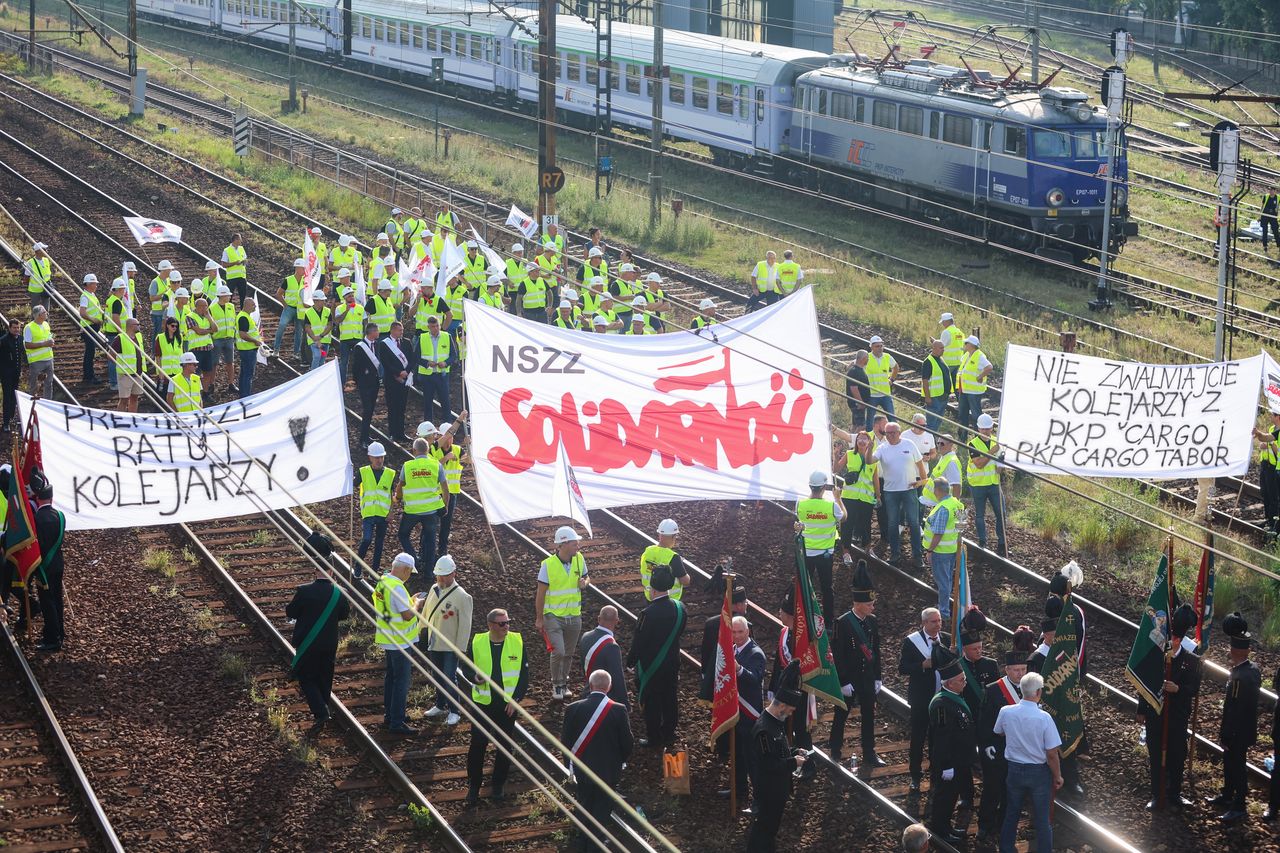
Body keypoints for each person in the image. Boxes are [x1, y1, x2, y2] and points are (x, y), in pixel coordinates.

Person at [461, 607, 530, 806]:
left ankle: (498, 785)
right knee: (478, 744)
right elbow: (466, 666)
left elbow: (524, 676)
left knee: (504, 746)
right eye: (502, 623)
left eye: (508, 622)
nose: (506, 626)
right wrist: (474, 677)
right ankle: (474, 786)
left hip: (506, 706)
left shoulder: (517, 641)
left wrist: (515, 700)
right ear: (491, 625)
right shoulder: (478, 641)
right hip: (483, 704)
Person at [1137, 603, 1201, 811]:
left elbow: (1194, 688)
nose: (1170, 643)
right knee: (1156, 755)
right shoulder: (1157, 657)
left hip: (1177, 716)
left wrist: (1178, 689)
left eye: (1174, 641)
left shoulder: (1191, 661)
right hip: (1156, 714)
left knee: (1177, 756)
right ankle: (1157, 794)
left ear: (1180, 640)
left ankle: (1175, 793)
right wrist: (1141, 710)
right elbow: (1144, 681)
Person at [286, 532, 351, 738]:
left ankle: (321, 711)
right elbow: (344, 615)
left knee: (306, 677)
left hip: (308, 643)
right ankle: (323, 707)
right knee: (325, 678)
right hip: (330, 644)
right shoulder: (338, 593)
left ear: (316, 570)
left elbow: (291, 612)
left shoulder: (305, 591)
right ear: (331, 571)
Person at [562, 669, 633, 851]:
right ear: (609, 687)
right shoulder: (618, 710)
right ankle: (596, 843)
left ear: (590, 686)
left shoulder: (573, 709)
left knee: (585, 802)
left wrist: (569, 766)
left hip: (583, 769)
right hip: (609, 770)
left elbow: (565, 742)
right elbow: (627, 743)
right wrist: (620, 762)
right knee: (602, 806)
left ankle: (581, 840)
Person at [977, 625, 1035, 841]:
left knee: (1013, 794)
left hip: (1020, 751)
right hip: (998, 748)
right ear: (1007, 670)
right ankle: (984, 826)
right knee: (993, 790)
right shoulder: (993, 690)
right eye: (1016, 670)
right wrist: (987, 745)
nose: (1020, 674)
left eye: (1023, 670)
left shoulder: (1033, 689)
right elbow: (984, 722)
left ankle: (1003, 826)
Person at [995, 671, 1062, 853]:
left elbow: (999, 732)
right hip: (1039, 774)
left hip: (1014, 770)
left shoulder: (1006, 711)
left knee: (1012, 813)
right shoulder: (1044, 718)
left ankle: (1006, 848)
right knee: (1042, 819)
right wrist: (1057, 776)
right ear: (1039, 692)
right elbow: (1051, 754)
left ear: (1022, 690)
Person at [746, 660, 807, 853]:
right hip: (769, 791)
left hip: (776, 790)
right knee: (763, 831)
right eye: (789, 711)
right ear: (781, 707)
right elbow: (768, 764)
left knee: (770, 831)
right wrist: (793, 763)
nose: (789, 715)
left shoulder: (775, 723)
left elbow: (778, 751)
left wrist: (793, 752)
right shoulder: (764, 730)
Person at [830, 560, 884, 767]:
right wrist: (843, 680)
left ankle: (869, 753)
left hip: (867, 676)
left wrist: (878, 676)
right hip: (849, 677)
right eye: (870, 604)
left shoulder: (872, 621)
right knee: (841, 715)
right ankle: (835, 750)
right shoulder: (842, 623)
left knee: (869, 715)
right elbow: (837, 654)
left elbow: (875, 650)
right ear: (858, 604)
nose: (873, 606)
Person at [626, 566, 685, 748]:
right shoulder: (680, 608)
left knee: (652, 702)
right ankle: (669, 732)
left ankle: (654, 738)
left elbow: (639, 642)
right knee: (670, 698)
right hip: (672, 662)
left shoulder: (647, 614)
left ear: (653, 589)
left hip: (651, 666)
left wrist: (631, 661)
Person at [1210, 612, 1260, 822]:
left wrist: (1227, 734)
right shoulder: (1251, 670)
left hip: (1237, 732)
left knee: (1236, 766)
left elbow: (1234, 710)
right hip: (1244, 730)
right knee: (1231, 763)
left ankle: (1239, 805)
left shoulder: (1239, 677)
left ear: (1234, 651)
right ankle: (1227, 795)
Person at [927, 648, 977, 843]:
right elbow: (942, 738)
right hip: (949, 761)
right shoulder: (941, 705)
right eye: (961, 680)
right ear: (948, 683)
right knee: (945, 797)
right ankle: (940, 830)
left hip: (960, 758)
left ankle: (946, 826)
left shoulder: (954, 696)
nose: (964, 683)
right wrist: (947, 765)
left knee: (953, 794)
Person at [373, 552, 424, 736]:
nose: (409, 575)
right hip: (400, 641)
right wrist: (417, 604)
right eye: (410, 572)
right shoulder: (398, 587)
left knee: (391, 678)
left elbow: (392, 607)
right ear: (405, 569)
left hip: (388, 638)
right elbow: (407, 615)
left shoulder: (383, 582)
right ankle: (397, 721)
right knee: (401, 682)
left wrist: (410, 601)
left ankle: (391, 714)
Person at [536, 525, 589, 700]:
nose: (578, 547)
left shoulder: (579, 559)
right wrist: (539, 618)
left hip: (574, 615)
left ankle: (564, 683)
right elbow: (541, 593)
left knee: (568, 653)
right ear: (564, 544)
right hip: (553, 616)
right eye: (575, 543)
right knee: (558, 651)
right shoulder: (547, 565)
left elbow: (587, 577)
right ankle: (556, 684)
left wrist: (585, 583)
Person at [900, 607, 950, 791]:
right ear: (924, 623)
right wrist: (923, 665)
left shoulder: (945, 639)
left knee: (938, 737)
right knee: (918, 738)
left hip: (942, 698)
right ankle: (915, 775)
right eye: (933, 622)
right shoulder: (912, 642)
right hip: (921, 699)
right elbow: (903, 668)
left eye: (939, 621)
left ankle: (936, 772)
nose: (938, 625)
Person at [420, 555, 473, 727]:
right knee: (437, 675)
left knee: (449, 677)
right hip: (434, 643)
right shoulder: (434, 589)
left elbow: (465, 625)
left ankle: (455, 710)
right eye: (439, 575)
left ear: (454, 574)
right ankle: (440, 705)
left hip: (450, 646)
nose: (441, 578)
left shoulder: (462, 596)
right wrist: (420, 632)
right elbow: (426, 613)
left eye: (444, 575)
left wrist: (460, 648)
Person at [770, 592, 816, 778]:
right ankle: (790, 762)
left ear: (788, 615)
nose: (779, 614)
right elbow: (777, 664)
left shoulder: (802, 638)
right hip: (783, 691)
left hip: (800, 692)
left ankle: (808, 767)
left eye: (781, 612)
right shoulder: (783, 633)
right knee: (783, 728)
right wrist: (772, 689)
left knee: (801, 730)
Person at [723, 615, 766, 806]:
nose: (737, 636)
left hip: (749, 714)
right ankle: (739, 789)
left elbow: (754, 678)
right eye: (733, 632)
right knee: (737, 754)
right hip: (735, 712)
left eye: (740, 632)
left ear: (747, 631)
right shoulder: (731, 649)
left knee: (752, 759)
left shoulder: (756, 653)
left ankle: (759, 798)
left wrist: (739, 669)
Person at [875, 423, 927, 569]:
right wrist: (867, 450)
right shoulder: (882, 448)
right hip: (890, 491)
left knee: (914, 522)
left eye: (893, 433)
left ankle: (917, 555)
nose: (890, 436)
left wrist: (923, 481)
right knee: (892, 523)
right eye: (887, 433)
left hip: (909, 489)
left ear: (899, 433)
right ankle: (895, 554)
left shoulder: (909, 444)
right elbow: (870, 461)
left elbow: (920, 464)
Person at [795, 470, 843, 624]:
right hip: (825, 555)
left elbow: (799, 521)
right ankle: (828, 622)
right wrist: (838, 498)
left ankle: (804, 617)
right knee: (826, 589)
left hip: (806, 554)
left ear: (810, 486)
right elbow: (845, 517)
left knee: (804, 587)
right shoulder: (832, 506)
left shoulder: (800, 504)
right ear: (824, 487)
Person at [395, 438, 446, 570]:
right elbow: (446, 489)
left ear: (414, 450)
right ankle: (429, 573)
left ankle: (414, 560)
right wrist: (444, 506)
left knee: (403, 534)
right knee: (430, 541)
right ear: (428, 450)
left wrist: (398, 498)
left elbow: (400, 485)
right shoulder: (436, 465)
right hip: (431, 511)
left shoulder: (408, 466)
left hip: (412, 511)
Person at [31, 470, 65, 652]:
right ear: (51, 499)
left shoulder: (36, 519)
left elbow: (36, 546)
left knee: (47, 602)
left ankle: (53, 639)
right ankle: (60, 632)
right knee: (57, 600)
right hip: (58, 565)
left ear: (38, 499)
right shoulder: (60, 516)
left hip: (43, 568)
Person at [923, 478, 964, 621]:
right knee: (947, 581)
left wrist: (929, 550)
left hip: (940, 552)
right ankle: (946, 607)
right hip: (952, 549)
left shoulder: (942, 508)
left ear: (937, 490)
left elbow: (938, 533)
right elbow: (962, 527)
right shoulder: (957, 504)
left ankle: (944, 613)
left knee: (943, 583)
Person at [354, 442, 395, 582]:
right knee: (366, 539)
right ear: (370, 457)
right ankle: (358, 567)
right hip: (369, 513)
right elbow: (352, 484)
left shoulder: (390, 474)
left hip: (383, 515)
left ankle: (374, 572)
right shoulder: (363, 472)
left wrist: (391, 512)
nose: (379, 460)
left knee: (379, 544)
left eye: (381, 457)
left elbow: (392, 495)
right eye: (376, 457)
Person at [968, 413, 1006, 556]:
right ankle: (982, 541)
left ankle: (1002, 542)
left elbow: (998, 468)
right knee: (980, 515)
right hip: (978, 485)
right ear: (978, 429)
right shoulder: (972, 444)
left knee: (1001, 514)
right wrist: (993, 451)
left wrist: (1001, 462)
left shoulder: (997, 442)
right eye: (983, 429)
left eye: (988, 428)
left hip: (994, 483)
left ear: (992, 428)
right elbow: (979, 465)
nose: (986, 431)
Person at [837, 430, 878, 557]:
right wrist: (836, 455)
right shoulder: (849, 454)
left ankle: (867, 548)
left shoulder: (874, 458)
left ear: (869, 442)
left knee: (866, 524)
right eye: (859, 438)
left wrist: (879, 495)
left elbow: (875, 478)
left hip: (866, 497)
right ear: (856, 441)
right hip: (849, 496)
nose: (861, 441)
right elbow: (836, 469)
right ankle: (846, 551)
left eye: (865, 439)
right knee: (847, 523)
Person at [579, 606, 628, 706]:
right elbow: (617, 677)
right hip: (605, 699)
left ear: (598, 619)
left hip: (587, 692)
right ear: (616, 621)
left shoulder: (585, 636)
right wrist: (624, 702)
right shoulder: (612, 646)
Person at [431, 422, 468, 555]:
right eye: (447, 436)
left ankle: (442, 550)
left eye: (451, 437)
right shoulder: (435, 450)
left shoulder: (458, 450)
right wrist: (446, 458)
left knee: (446, 524)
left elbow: (468, 460)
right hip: (436, 493)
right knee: (432, 524)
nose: (449, 439)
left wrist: (469, 446)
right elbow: (432, 466)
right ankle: (426, 550)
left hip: (451, 493)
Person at [639, 519, 690, 602]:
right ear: (673, 536)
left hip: (650, 596)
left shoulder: (648, 551)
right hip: (668, 600)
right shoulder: (673, 557)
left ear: (659, 534)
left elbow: (648, 568)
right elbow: (686, 582)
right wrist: (680, 564)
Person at [378, 321, 413, 441]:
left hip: (404, 380)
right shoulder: (384, 344)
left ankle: (401, 433)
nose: (401, 332)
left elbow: (412, 359)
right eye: (399, 330)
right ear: (392, 330)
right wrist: (398, 373)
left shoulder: (407, 343)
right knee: (392, 407)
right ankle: (392, 432)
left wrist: (406, 372)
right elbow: (385, 363)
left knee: (402, 407)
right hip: (391, 380)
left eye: (402, 330)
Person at [351, 322, 382, 446]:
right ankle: (363, 439)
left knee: (370, 410)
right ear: (372, 332)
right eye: (377, 331)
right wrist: (359, 382)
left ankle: (367, 436)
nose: (378, 333)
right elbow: (355, 367)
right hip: (364, 383)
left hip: (374, 382)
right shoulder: (360, 347)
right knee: (367, 409)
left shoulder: (377, 344)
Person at [418, 316, 452, 425]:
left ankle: (448, 427)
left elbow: (453, 355)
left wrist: (446, 363)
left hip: (442, 375)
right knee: (427, 402)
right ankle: (428, 427)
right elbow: (416, 357)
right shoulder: (422, 338)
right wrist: (427, 363)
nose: (436, 328)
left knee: (445, 402)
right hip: (428, 375)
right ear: (428, 327)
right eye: (433, 326)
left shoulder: (447, 336)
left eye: (437, 325)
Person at [957, 335, 992, 434]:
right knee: (963, 413)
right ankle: (963, 435)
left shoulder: (979, 356)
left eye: (966, 343)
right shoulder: (967, 355)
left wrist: (980, 376)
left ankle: (979, 436)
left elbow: (989, 367)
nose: (965, 344)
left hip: (974, 391)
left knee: (976, 415)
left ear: (971, 345)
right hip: (964, 389)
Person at [1253, 411, 1280, 538]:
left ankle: (1274, 523)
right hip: (1265, 464)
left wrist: (1270, 443)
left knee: (1274, 496)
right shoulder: (1271, 428)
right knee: (1265, 493)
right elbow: (1266, 438)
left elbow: (1276, 449)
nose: (1270, 417)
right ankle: (1268, 519)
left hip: (1274, 467)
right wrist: (1259, 436)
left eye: (1272, 415)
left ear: (1278, 417)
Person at [275, 258, 308, 362]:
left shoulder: (306, 281)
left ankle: (296, 353)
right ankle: (276, 350)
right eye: (303, 268)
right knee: (282, 326)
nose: (304, 270)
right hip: (289, 308)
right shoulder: (288, 280)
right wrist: (285, 305)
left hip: (300, 310)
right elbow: (278, 294)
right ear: (297, 268)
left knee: (299, 332)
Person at [112, 318, 145, 413]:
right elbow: (110, 354)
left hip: (138, 373)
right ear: (131, 326)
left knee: (135, 397)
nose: (139, 326)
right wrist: (121, 366)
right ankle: (120, 419)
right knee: (124, 399)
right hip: (126, 374)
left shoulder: (139, 337)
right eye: (137, 324)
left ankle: (132, 418)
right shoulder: (120, 338)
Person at [864, 336, 898, 427]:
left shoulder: (887, 357)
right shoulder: (867, 357)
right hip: (872, 394)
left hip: (885, 394)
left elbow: (896, 367)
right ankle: (870, 438)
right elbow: (856, 364)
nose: (880, 348)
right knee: (870, 421)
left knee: (892, 419)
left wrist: (891, 380)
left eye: (881, 346)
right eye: (877, 346)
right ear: (871, 347)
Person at [920, 339, 953, 432]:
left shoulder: (940, 359)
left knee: (938, 422)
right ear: (934, 348)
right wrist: (927, 397)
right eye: (941, 348)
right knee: (931, 424)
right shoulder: (928, 362)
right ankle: (929, 443)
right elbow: (925, 380)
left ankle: (933, 442)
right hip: (934, 398)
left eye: (943, 348)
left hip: (942, 396)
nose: (943, 350)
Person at [24, 305, 55, 400]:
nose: (47, 314)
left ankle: (48, 403)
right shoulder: (29, 327)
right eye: (45, 312)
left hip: (49, 358)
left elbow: (47, 337)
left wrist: (51, 341)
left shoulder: (46, 324)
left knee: (49, 384)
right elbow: (27, 345)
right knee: (34, 386)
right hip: (36, 360)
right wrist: (44, 344)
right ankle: (31, 405)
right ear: (39, 315)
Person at [335, 287, 366, 383]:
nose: (352, 297)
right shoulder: (339, 308)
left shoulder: (360, 308)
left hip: (358, 338)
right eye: (349, 296)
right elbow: (337, 321)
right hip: (345, 339)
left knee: (359, 362)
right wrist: (346, 311)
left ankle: (359, 381)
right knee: (344, 362)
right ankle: (342, 382)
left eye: (352, 295)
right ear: (344, 298)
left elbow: (365, 322)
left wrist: (365, 336)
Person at [77, 273, 104, 385]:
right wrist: (94, 320)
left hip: (92, 327)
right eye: (94, 283)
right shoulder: (85, 296)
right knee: (90, 352)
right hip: (89, 327)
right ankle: (89, 376)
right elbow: (82, 312)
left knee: (90, 351)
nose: (96, 285)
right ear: (88, 284)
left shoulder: (91, 295)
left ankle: (88, 375)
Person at [234, 298, 262, 398]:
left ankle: (243, 394)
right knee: (248, 374)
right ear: (246, 305)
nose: (255, 306)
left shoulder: (245, 316)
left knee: (244, 373)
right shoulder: (244, 317)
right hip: (248, 350)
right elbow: (243, 334)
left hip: (246, 349)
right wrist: (255, 341)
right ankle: (246, 395)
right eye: (253, 305)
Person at [302, 290, 334, 372]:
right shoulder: (308, 312)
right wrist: (315, 339)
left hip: (325, 341)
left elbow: (330, 325)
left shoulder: (327, 311)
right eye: (321, 300)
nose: (323, 302)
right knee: (317, 356)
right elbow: (307, 327)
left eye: (323, 300)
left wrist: (321, 336)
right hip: (314, 341)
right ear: (315, 301)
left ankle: (319, 374)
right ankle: (313, 373)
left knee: (322, 358)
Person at [0, 318, 22, 430]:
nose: (17, 330)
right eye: (14, 328)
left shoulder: (20, 339)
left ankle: (12, 418)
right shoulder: (3, 340)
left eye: (18, 327)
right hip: (6, 374)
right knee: (7, 397)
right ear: (9, 328)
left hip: (16, 373)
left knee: (14, 396)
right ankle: (6, 422)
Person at [845, 350, 869, 429]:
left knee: (855, 425)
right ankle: (854, 440)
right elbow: (854, 389)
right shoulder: (854, 371)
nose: (868, 359)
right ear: (863, 359)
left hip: (857, 403)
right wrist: (861, 402)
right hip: (857, 404)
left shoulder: (858, 370)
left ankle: (851, 440)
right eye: (867, 358)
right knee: (861, 426)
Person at [221, 233, 248, 304]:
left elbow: (245, 260)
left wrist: (244, 262)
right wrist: (234, 263)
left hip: (242, 277)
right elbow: (223, 264)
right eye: (240, 239)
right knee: (229, 298)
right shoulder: (227, 250)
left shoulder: (241, 249)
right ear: (235, 240)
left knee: (243, 297)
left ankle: (242, 313)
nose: (241, 241)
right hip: (231, 278)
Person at [25, 242, 52, 311]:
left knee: (46, 310)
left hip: (46, 288)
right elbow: (26, 277)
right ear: (39, 251)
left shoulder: (46, 260)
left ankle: (45, 321)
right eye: (44, 249)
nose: (46, 251)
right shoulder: (30, 262)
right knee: (35, 310)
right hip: (35, 290)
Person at [1263, 186, 1280, 252]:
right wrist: (1259, 216)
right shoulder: (1266, 196)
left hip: (1273, 216)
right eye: (1269, 190)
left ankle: (1279, 245)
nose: (1270, 191)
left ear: (1275, 191)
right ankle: (1265, 246)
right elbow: (1262, 206)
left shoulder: (1278, 197)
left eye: (1272, 190)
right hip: (1265, 215)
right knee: (1265, 231)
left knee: (1276, 230)